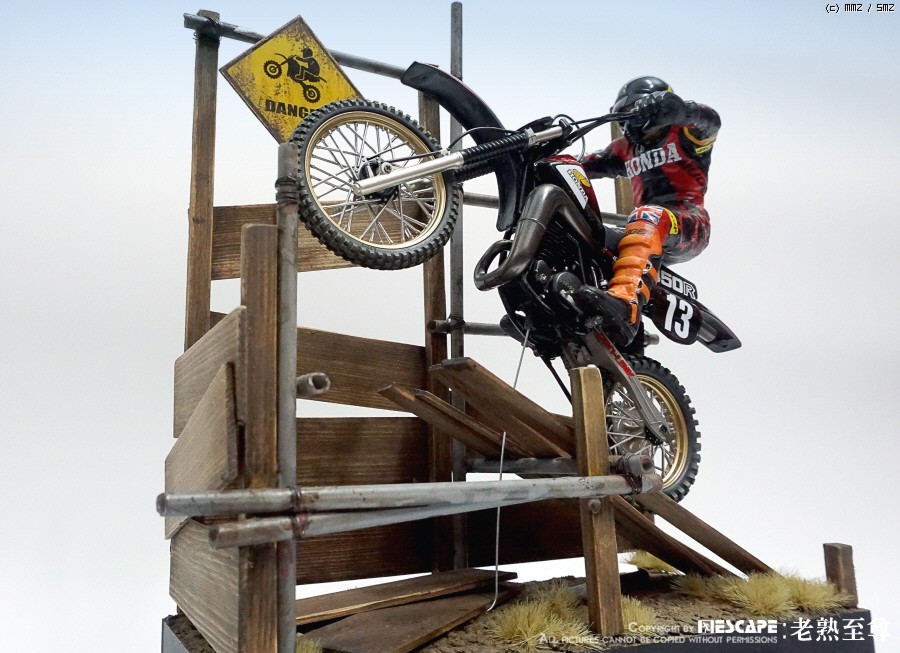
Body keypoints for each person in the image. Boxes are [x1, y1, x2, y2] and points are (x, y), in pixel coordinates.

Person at [577, 76, 720, 345]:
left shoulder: (686, 134)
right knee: (593, 236)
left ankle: (625, 304)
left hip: (690, 224)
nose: (630, 119)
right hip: (644, 229)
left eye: (635, 109)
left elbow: (710, 122)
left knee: (650, 215)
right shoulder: (624, 150)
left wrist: (682, 110)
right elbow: (580, 165)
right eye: (624, 113)